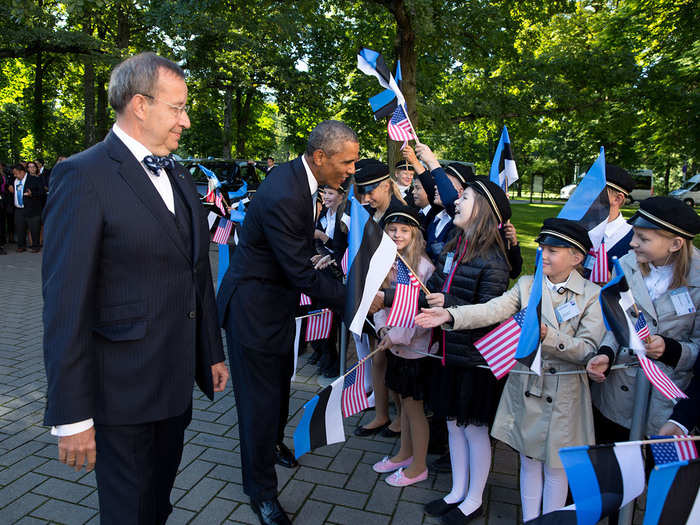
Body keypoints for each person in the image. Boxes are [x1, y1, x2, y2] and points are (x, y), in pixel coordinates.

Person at [42, 52, 229, 525]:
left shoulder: (180, 174)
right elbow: (65, 306)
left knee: (157, 504)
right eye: (178, 108)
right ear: (140, 105)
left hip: (174, 387)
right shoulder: (83, 175)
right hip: (120, 395)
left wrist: (211, 351)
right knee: (126, 513)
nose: (186, 121)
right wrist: (72, 416)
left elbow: (197, 275)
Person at [416, 218, 605, 522]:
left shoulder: (592, 295)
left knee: (556, 467)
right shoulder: (529, 285)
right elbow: (493, 309)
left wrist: (548, 336)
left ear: (577, 257)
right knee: (528, 460)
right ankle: (531, 518)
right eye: (542, 247)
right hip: (528, 387)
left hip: (564, 395)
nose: (544, 254)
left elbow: (588, 349)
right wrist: (450, 314)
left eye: (553, 250)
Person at [216, 120, 354, 525]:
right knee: (257, 406)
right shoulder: (284, 192)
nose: (351, 169)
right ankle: (261, 492)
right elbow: (300, 271)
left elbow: (297, 252)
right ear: (320, 157)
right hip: (251, 312)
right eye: (345, 161)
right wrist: (358, 301)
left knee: (278, 390)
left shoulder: (300, 181)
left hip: (276, 307)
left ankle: (273, 443)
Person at [419, 177, 512, 523]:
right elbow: (438, 286)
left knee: (473, 429)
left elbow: (490, 314)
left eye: (466, 197)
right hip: (449, 353)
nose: (456, 202)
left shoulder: (494, 261)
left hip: (475, 361)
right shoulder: (455, 246)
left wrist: (449, 303)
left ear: (483, 209)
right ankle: (457, 491)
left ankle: (474, 499)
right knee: (454, 425)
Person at [587, 197, 700, 439]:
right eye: (634, 234)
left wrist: (669, 349)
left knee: (660, 468)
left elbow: (698, 346)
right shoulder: (628, 265)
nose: (633, 243)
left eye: (643, 238)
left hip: (668, 398)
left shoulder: (697, 280)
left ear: (676, 244)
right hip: (621, 392)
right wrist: (606, 352)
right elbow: (619, 319)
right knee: (617, 465)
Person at [372, 204, 435, 487]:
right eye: (392, 229)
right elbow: (382, 302)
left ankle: (419, 465)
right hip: (396, 345)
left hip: (416, 350)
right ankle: (404, 453)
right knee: (404, 408)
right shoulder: (389, 262)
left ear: (415, 234)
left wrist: (394, 336)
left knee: (414, 410)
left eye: (404, 230)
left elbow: (416, 314)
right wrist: (384, 328)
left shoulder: (422, 267)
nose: (397, 234)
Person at [353, 159, 406, 438]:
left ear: (387, 184)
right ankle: (382, 414)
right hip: (373, 296)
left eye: (371, 190)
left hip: (392, 298)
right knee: (378, 358)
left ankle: (397, 418)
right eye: (362, 192)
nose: (366, 197)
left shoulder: (399, 216)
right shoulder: (372, 214)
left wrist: (384, 295)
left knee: (393, 359)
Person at [588, 164, 636, 284]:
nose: (586, 196)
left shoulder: (634, 239)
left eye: (594, 191)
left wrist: (614, 283)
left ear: (617, 199)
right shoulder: (579, 229)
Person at [11, 163, 43, 252]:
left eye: (16, 173)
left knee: (34, 229)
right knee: (20, 228)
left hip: (32, 208)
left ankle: (36, 246)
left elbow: (41, 192)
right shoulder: (14, 181)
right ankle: (21, 246)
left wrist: (32, 194)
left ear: (22, 172)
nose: (14, 175)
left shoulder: (34, 179)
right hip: (18, 209)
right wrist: (8, 187)